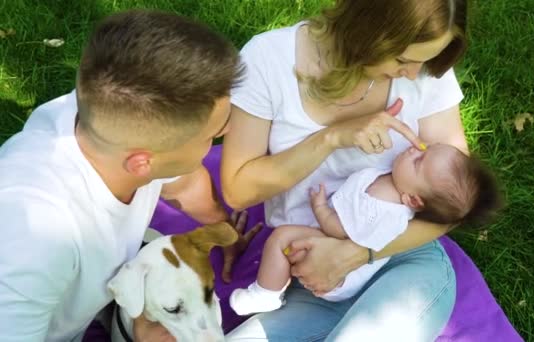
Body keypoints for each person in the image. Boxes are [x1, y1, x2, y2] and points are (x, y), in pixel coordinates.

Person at [221, 0, 471, 339]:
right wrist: (332, 138)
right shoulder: (268, 60)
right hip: (308, 274)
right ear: (367, 31)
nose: (414, 74)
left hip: (399, 257)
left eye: (422, 61)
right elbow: (239, 190)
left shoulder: (424, 68)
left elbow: (455, 204)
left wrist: (355, 254)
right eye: (402, 60)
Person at [0, 10, 255, 342]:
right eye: (212, 136)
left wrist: (225, 234)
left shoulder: (111, 113)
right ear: (141, 164)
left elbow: (185, 182)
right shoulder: (36, 238)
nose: (228, 130)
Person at [229, 143, 500, 315]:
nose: (413, 150)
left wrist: (321, 209)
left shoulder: (387, 211)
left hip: (341, 269)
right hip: (331, 246)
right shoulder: (391, 181)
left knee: (281, 238)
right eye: (424, 149)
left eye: (419, 161)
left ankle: (266, 294)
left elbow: (342, 234)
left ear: (413, 200)